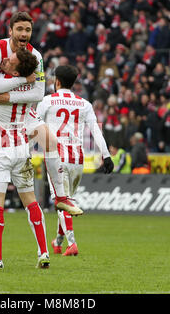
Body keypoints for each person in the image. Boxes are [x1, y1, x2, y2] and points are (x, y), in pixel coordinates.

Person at [0, 11, 82, 217]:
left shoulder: (36, 56)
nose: (24, 33)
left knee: (51, 141)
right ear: (10, 31)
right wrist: (22, 80)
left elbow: (38, 93)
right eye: (19, 29)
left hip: (20, 106)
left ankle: (61, 197)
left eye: (28, 30)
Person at [0, 48, 50, 269]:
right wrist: (27, 78)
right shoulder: (30, 89)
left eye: (9, 61)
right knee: (31, 201)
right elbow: (37, 93)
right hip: (22, 149)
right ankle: (43, 252)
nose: (4, 59)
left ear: (15, 72)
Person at [36, 65, 114, 256]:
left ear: (57, 81)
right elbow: (96, 131)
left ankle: (72, 243)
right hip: (78, 159)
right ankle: (59, 241)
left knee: (61, 201)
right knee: (67, 200)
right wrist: (106, 155)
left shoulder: (47, 101)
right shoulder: (84, 104)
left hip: (56, 157)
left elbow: (33, 124)